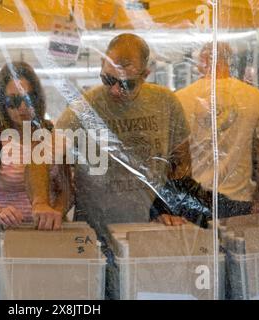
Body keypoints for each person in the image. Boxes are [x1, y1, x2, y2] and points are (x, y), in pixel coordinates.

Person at [29, 33, 192, 236]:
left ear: (145, 74)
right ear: (101, 64)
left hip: (152, 227)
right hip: (96, 230)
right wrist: (41, 202)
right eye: (108, 79)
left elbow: (182, 161)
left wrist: (170, 206)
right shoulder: (85, 108)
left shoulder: (165, 103)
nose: (115, 90)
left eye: (126, 84)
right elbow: (40, 156)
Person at [176, 42, 259, 217]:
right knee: (236, 244)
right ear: (229, 61)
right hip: (240, 199)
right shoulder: (254, 96)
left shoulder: (181, 98)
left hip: (196, 200)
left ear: (203, 61)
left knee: (202, 245)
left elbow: (177, 157)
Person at [0, 61, 70, 229]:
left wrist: (56, 212)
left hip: (48, 233)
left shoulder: (51, 133)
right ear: (2, 103)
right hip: (7, 233)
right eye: (13, 101)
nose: (22, 107)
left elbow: (65, 190)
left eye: (28, 99)